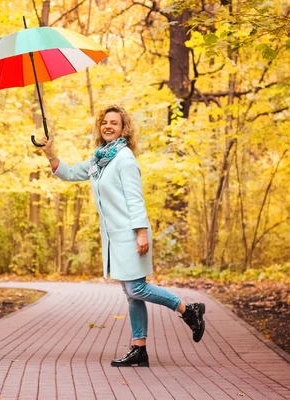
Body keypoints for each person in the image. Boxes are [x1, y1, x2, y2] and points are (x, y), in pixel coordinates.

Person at [38, 104, 205, 367]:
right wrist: (50, 153)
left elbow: (135, 198)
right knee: (132, 294)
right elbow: (69, 173)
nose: (108, 126)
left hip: (131, 233)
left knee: (136, 288)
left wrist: (141, 232)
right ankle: (139, 348)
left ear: (123, 128)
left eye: (114, 123)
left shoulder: (124, 158)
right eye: (104, 122)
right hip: (114, 237)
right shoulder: (99, 160)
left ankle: (187, 309)